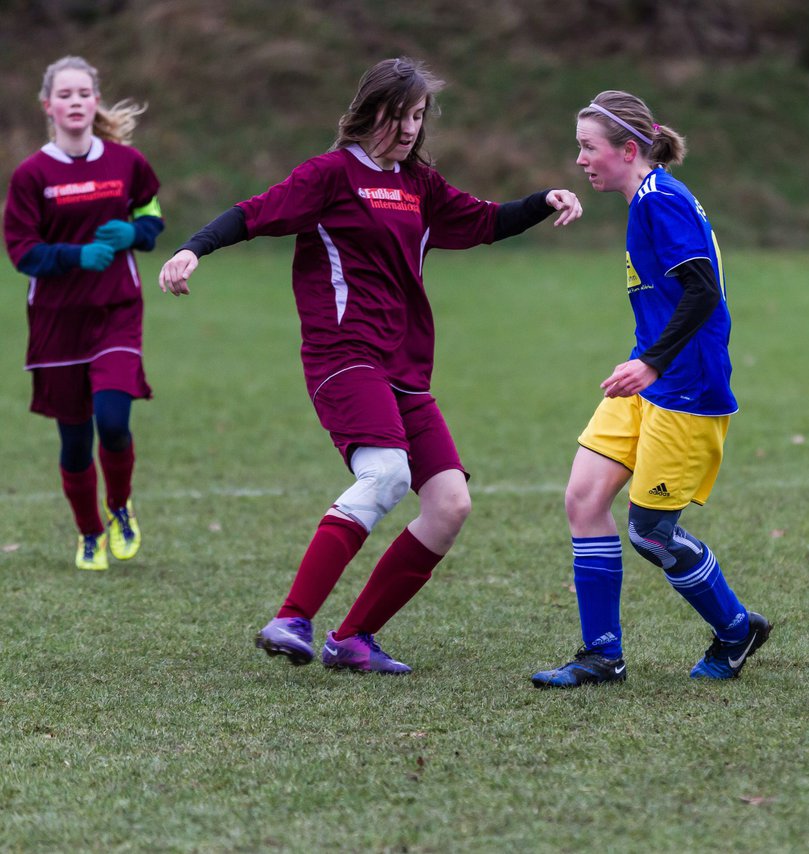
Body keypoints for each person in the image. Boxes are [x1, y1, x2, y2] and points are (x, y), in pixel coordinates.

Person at [158, 57, 582, 675]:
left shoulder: (418, 185)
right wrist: (192, 250)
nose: (410, 128)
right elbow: (253, 213)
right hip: (343, 358)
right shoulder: (329, 175)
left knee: (450, 504)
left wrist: (543, 200)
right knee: (385, 473)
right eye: (400, 114)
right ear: (370, 110)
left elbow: (485, 220)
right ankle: (292, 617)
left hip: (405, 367)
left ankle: (351, 637)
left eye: (418, 116)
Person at [531, 91, 770, 688]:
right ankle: (601, 655)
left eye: (589, 147)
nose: (580, 159)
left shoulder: (662, 202)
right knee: (584, 500)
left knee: (650, 531)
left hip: (686, 386)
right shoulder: (645, 200)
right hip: (651, 376)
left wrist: (654, 364)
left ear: (627, 149)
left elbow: (703, 290)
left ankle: (737, 629)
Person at [4, 56, 164, 572]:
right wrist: (75, 256)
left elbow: (150, 212)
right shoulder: (32, 174)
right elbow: (22, 251)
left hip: (116, 311)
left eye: (83, 93)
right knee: (75, 440)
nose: (75, 101)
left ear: (95, 101)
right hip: (56, 321)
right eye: (64, 94)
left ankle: (119, 508)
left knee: (113, 422)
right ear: (47, 105)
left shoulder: (125, 163)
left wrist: (134, 234)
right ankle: (89, 533)